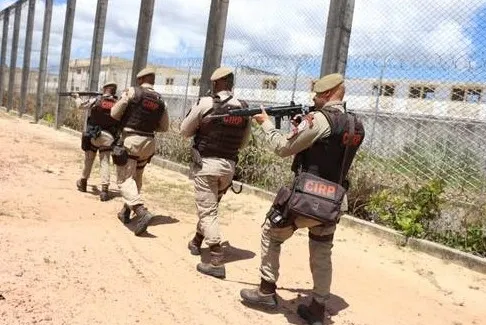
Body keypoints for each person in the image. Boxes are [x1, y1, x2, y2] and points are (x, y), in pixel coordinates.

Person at [239, 73, 365, 325]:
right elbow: (329, 152)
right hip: (334, 200)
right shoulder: (356, 124)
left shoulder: (318, 119)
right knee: (321, 250)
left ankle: (266, 290)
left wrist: (266, 123)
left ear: (328, 94)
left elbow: (283, 148)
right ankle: (318, 307)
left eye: (317, 94)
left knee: (271, 232)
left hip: (307, 197)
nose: (314, 98)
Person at [180, 67, 252, 279]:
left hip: (207, 165)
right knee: (210, 206)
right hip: (228, 167)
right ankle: (196, 241)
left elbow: (184, 130)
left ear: (215, 83)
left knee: (208, 210)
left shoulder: (206, 103)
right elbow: (245, 142)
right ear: (231, 83)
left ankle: (216, 258)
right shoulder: (243, 107)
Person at [110, 67, 169, 236]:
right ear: (153, 80)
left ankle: (141, 211)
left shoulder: (132, 92)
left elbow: (114, 113)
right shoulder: (160, 99)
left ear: (139, 80)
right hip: (149, 142)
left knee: (124, 179)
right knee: (136, 177)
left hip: (131, 140)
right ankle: (126, 212)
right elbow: (164, 127)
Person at [74, 81, 119, 201]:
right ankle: (104, 190)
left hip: (94, 135)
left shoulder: (97, 100)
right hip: (109, 136)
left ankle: (83, 181)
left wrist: (77, 97)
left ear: (105, 89)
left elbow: (80, 106)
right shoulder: (117, 103)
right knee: (105, 162)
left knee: (89, 159)